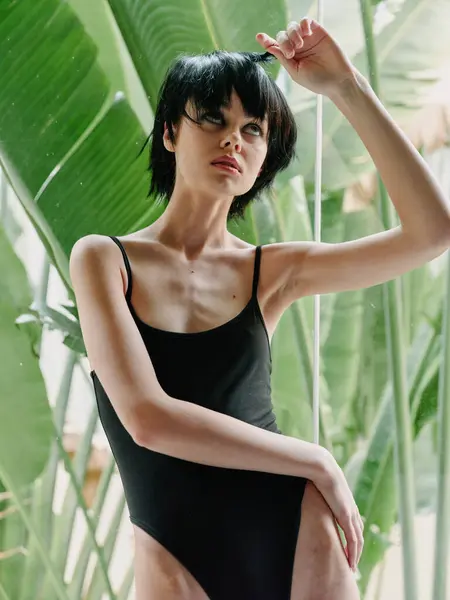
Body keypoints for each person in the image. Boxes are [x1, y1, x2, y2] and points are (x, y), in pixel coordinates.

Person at [70, 16, 450, 600]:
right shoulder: (104, 260)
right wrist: (315, 458)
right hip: (174, 549)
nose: (233, 140)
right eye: (214, 119)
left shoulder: (270, 271)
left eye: (253, 130)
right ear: (170, 132)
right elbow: (147, 418)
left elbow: (430, 232)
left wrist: (348, 87)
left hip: (295, 528)